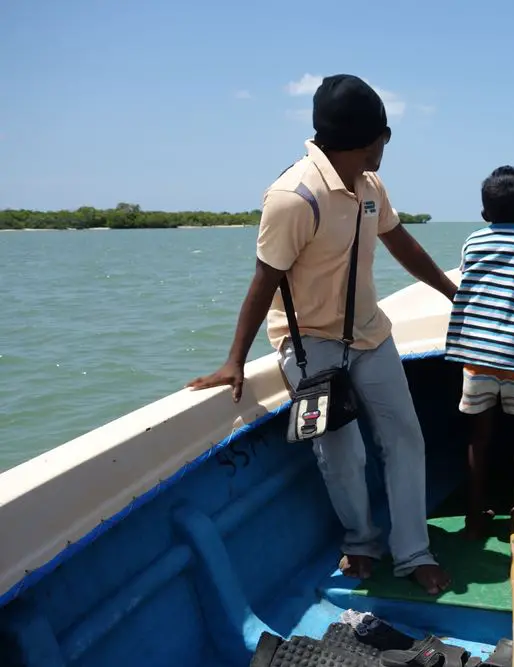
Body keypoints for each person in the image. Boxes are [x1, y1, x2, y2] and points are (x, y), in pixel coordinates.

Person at [187, 74, 456, 595]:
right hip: (310, 346)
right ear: (366, 138)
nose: (386, 145)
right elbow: (264, 279)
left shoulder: (370, 187)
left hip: (370, 335)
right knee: (342, 451)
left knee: (405, 437)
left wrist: (450, 292)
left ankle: (412, 551)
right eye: (385, 134)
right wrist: (234, 360)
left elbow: (400, 243)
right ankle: (360, 541)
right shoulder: (294, 197)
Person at [444, 165, 514, 546]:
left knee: (479, 439)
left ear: (484, 214)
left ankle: (474, 521)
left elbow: (470, 278)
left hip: (475, 358)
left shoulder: (472, 242)